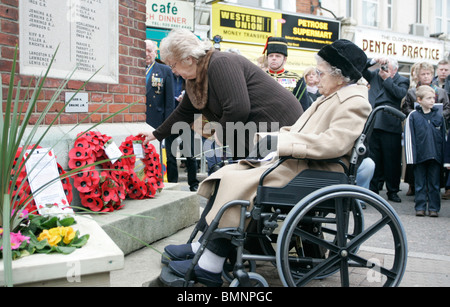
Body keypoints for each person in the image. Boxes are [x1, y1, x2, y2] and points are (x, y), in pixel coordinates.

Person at [160, 39, 372, 287]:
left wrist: (282, 144)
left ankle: (210, 263)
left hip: (314, 170)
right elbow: (298, 129)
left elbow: (334, 144)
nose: (316, 76)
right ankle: (205, 247)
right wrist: (273, 139)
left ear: (339, 76)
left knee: (238, 182)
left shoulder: (355, 101)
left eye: (321, 72)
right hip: (300, 165)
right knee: (229, 174)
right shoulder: (333, 97)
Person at [140, 29, 303, 161]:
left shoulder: (220, 63)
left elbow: (238, 108)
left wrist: (220, 135)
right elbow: (185, 112)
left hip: (276, 124)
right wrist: (156, 134)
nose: (172, 70)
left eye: (173, 65)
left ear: (188, 58)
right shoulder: (194, 78)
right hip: (250, 133)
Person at [362, 57, 410, 203]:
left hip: (390, 123)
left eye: (387, 68)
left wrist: (387, 79)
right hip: (374, 121)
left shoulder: (402, 80)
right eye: (383, 67)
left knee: (392, 160)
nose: (383, 70)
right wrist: (372, 61)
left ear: (394, 70)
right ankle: (373, 190)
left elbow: (399, 94)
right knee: (373, 158)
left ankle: (393, 191)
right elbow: (362, 70)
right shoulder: (375, 74)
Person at [402, 62, 450, 197]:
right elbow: (406, 108)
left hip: (436, 127)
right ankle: (413, 184)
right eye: (423, 74)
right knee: (416, 156)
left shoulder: (440, 91)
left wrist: (437, 115)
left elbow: (447, 108)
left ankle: (435, 187)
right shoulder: (412, 92)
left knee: (436, 157)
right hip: (418, 128)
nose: (426, 76)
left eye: (428, 73)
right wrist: (419, 115)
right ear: (418, 76)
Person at [404, 85, 446, 217]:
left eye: (433, 98)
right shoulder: (413, 116)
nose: (432, 101)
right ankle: (420, 207)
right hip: (420, 156)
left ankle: (434, 208)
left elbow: (443, 138)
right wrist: (411, 158)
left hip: (435, 156)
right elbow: (409, 137)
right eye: (428, 98)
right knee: (420, 183)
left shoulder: (439, 117)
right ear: (419, 100)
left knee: (434, 184)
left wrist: (444, 159)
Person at [166, 75, 200, 191]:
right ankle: (172, 184)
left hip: (186, 122)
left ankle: (193, 184)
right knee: (170, 157)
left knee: (190, 154)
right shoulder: (167, 77)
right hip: (170, 121)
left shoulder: (188, 78)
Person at [263, 37, 311, 111]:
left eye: (278, 56)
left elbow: (304, 107)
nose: (274, 58)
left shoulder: (296, 79)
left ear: (285, 59)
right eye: (271, 56)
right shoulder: (260, 76)